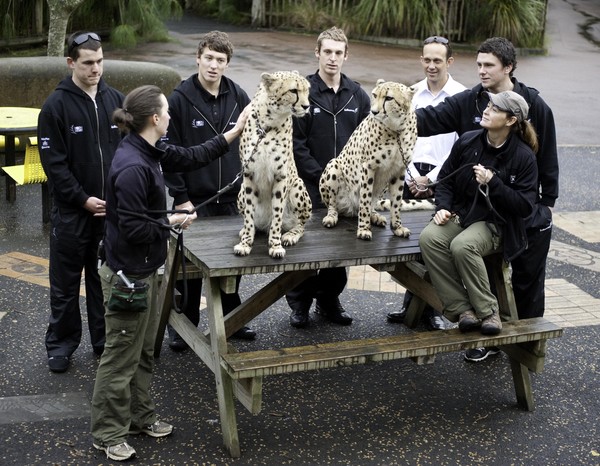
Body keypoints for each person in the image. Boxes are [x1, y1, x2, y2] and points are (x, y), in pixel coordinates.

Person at [91, 84, 248, 462]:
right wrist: (172, 222)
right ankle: (108, 433)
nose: (172, 117)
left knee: (143, 352)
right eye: (167, 112)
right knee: (119, 357)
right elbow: (131, 228)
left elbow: (194, 155)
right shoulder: (132, 167)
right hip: (128, 277)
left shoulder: (150, 149)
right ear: (155, 119)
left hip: (146, 270)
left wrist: (236, 130)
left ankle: (140, 417)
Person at [415, 37, 558, 360]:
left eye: (488, 65)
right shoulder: (471, 104)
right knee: (450, 246)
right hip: (471, 210)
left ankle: (524, 348)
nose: (480, 71)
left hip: (519, 211)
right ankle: (478, 328)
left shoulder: (532, 107)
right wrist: (392, 116)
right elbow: (430, 122)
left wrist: (546, 204)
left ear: (508, 67)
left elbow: (546, 157)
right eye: (478, 64)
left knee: (524, 283)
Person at [38, 31, 125, 373]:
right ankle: (61, 345)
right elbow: (54, 167)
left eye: (100, 62)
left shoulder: (115, 101)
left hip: (109, 212)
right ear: (71, 63)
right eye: (88, 63)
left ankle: (102, 342)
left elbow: (129, 153)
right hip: (73, 213)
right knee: (65, 284)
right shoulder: (56, 106)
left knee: (102, 281)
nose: (95, 69)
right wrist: (83, 199)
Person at [419, 91, 539, 336]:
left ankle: (488, 311)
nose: (486, 110)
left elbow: (525, 206)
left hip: (497, 223)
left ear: (511, 121)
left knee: (463, 246)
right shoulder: (468, 140)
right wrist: (442, 207)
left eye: (495, 109)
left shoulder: (523, 156)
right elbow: (445, 180)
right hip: (462, 214)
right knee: (429, 238)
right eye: (488, 105)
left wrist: (494, 183)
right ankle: (462, 309)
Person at [163, 31, 254, 350]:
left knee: (232, 261)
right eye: (209, 58)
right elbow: (170, 153)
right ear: (198, 58)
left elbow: (252, 141)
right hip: (194, 200)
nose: (214, 65)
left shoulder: (239, 95)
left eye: (221, 60)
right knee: (188, 271)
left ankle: (234, 320)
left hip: (232, 197)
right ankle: (183, 326)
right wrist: (181, 197)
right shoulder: (180, 99)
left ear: (228, 63)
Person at [286, 26, 371, 328]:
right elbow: (295, 143)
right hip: (308, 186)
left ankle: (329, 300)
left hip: (347, 191)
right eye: (327, 52)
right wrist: (322, 174)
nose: (332, 59)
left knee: (338, 250)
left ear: (346, 55)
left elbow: (368, 139)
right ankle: (299, 304)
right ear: (317, 54)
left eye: (338, 53)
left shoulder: (358, 95)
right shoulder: (303, 92)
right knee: (304, 249)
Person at [385, 35, 466, 331]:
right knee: (408, 243)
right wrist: (409, 176)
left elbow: (462, 147)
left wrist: (431, 179)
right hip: (409, 178)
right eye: (427, 60)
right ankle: (411, 305)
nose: (431, 66)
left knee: (434, 246)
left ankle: (431, 308)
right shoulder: (411, 93)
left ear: (449, 62)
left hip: (444, 181)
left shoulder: (462, 96)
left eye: (438, 60)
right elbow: (400, 139)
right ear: (421, 60)